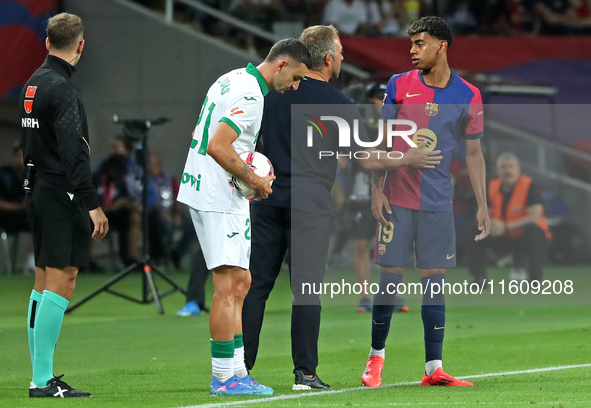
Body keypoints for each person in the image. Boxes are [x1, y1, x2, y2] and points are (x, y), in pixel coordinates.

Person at [242, 25, 442, 391]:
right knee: (305, 290)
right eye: (342, 52)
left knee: (255, 287)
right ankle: (304, 373)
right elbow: (366, 159)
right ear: (329, 58)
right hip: (311, 205)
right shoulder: (337, 104)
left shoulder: (269, 96)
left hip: (266, 200)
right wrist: (408, 156)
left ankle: (239, 371)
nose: (344, 58)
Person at [361, 16, 490, 389]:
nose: (412, 50)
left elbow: (475, 154)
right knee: (389, 278)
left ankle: (433, 367)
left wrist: (482, 204)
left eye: (420, 43)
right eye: (411, 44)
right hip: (397, 199)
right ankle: (375, 358)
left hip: (438, 203)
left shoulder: (468, 95)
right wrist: (375, 188)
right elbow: (380, 143)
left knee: (435, 282)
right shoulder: (398, 85)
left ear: (442, 45)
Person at [176, 38, 311, 396]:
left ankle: (237, 371)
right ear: (281, 65)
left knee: (241, 282)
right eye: (296, 77)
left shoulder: (231, 78)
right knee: (228, 286)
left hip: (207, 189)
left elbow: (201, 132)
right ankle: (224, 377)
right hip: (219, 197)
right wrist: (254, 180)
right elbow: (217, 144)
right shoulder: (252, 95)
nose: (294, 86)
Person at [21, 13, 109, 398]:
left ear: (46, 43)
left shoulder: (34, 84)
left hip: (36, 189)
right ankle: (42, 380)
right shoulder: (64, 91)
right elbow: (74, 153)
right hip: (60, 193)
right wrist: (92, 204)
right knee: (63, 280)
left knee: (42, 282)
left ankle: (40, 376)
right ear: (81, 46)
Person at [468, 152, 551, 283]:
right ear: (498, 171)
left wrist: (505, 226)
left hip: (524, 236)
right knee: (475, 230)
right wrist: (490, 224)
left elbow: (534, 216)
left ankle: (535, 280)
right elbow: (482, 211)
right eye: (504, 167)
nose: (508, 171)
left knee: (533, 230)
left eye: (511, 167)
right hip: (501, 236)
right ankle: (479, 278)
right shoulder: (490, 186)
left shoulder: (530, 186)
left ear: (518, 169)